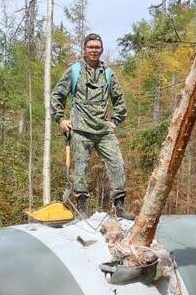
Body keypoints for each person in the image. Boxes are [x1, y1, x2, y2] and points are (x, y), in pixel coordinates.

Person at [50, 33, 134, 219]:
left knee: (117, 163)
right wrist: (61, 119)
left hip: (104, 131)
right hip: (80, 130)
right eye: (91, 47)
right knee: (80, 168)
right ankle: (82, 207)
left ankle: (119, 206)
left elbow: (119, 99)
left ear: (102, 49)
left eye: (97, 47)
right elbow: (57, 95)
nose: (94, 50)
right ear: (85, 49)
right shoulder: (74, 71)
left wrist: (116, 121)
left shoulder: (108, 74)